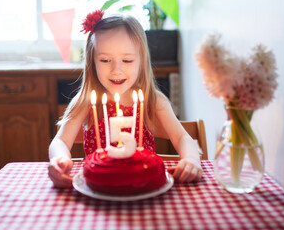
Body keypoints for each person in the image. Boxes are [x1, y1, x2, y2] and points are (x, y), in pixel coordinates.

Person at [48, 10, 203, 188]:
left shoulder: (154, 101)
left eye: (127, 60)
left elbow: (182, 137)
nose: (116, 70)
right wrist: (59, 160)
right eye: (105, 60)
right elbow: (60, 141)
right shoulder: (86, 101)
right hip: (99, 188)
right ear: (92, 61)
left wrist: (191, 159)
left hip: (141, 187)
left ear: (141, 61)